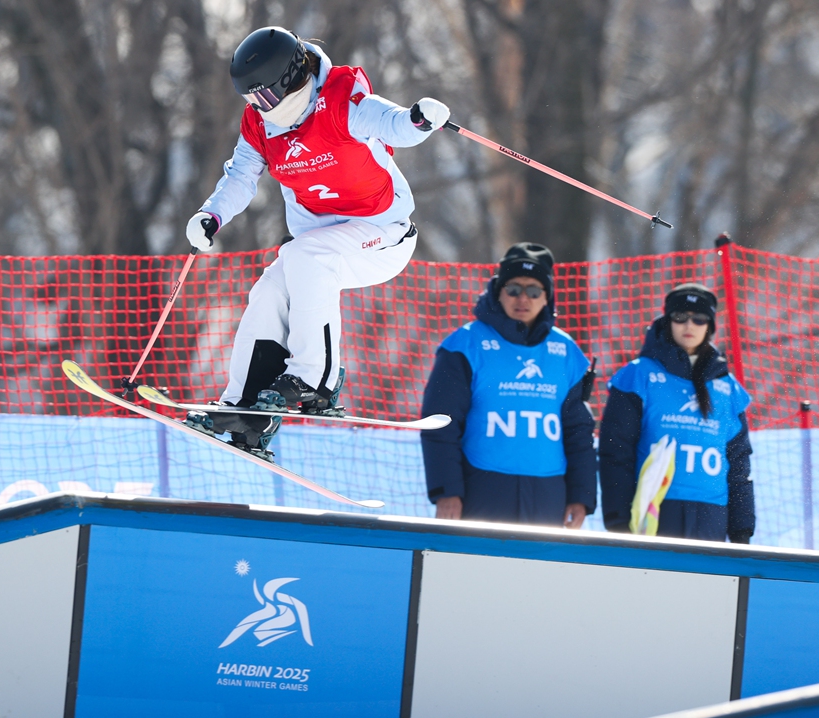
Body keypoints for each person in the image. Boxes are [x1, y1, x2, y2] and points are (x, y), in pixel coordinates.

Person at [182, 26, 450, 458]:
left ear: (291, 78)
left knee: (304, 253)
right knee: (269, 290)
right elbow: (241, 177)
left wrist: (419, 119)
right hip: (321, 247)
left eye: (264, 98)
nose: (259, 109)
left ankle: (315, 381)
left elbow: (393, 123)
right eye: (250, 100)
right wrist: (210, 215)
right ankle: (244, 409)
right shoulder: (259, 125)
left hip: (384, 236)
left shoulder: (342, 99)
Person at [420, 243, 596, 526]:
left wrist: (581, 496)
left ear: (546, 296)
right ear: (498, 290)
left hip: (548, 494)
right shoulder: (464, 345)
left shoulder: (567, 352)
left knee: (539, 569)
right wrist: (446, 491)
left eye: (534, 291)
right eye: (514, 289)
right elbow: (440, 424)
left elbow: (579, 432)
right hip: (481, 488)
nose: (522, 298)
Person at [599, 283, 755, 542]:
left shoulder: (728, 389)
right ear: (668, 320)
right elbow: (616, 451)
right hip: (654, 512)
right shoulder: (639, 375)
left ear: (710, 326)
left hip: (711, 517)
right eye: (680, 317)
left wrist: (741, 530)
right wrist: (618, 520)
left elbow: (739, 464)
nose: (689, 325)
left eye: (699, 318)